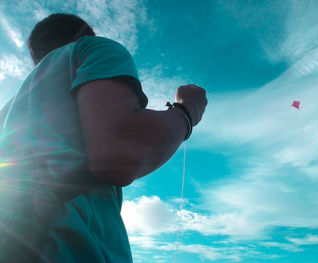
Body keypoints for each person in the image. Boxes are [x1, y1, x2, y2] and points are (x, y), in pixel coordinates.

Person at [0, 13, 207, 262]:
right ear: (85, 35)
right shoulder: (90, 49)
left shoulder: (9, 110)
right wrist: (187, 111)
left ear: (37, 58)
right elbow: (119, 153)